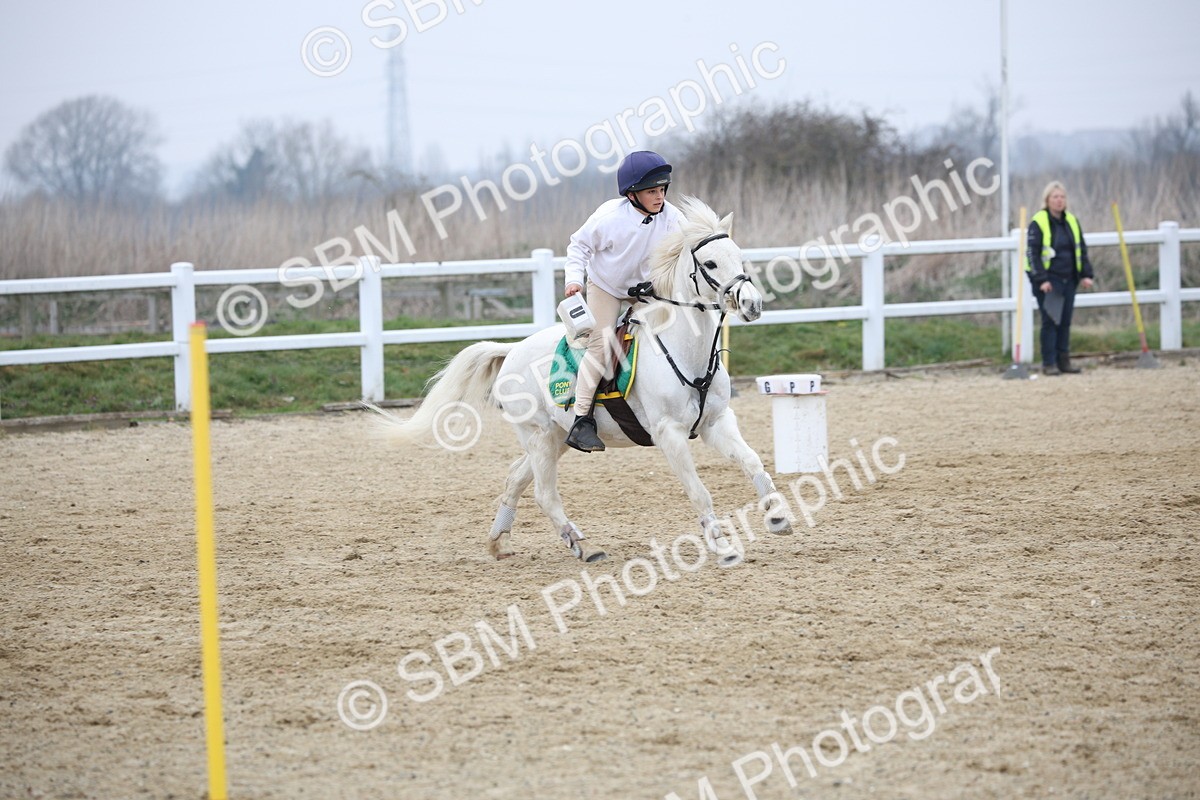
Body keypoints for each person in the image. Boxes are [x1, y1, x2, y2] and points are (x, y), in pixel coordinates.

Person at [561, 150, 683, 452]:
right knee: (602, 344)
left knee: (666, 335)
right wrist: (573, 279)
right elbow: (578, 248)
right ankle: (582, 419)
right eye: (652, 191)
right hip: (607, 287)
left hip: (645, 291)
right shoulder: (608, 218)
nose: (659, 197)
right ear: (632, 195)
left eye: (662, 189)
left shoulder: (673, 217)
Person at [1025, 181, 1095, 375]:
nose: (1059, 201)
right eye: (1055, 197)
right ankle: (1049, 363)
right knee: (1050, 321)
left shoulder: (1072, 221)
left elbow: (1081, 249)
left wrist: (1086, 274)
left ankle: (1064, 361)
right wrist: (1041, 280)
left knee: (1065, 321)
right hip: (1049, 280)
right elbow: (1033, 254)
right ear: (1047, 200)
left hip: (1069, 279)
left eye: (1062, 197)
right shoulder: (1038, 222)